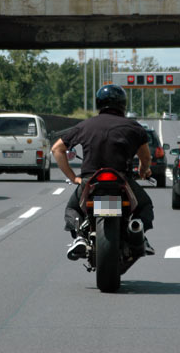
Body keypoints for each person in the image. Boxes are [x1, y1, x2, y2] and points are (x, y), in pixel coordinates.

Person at [51, 84, 155, 261]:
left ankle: (80, 238)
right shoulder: (134, 127)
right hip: (122, 180)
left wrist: (73, 177)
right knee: (144, 205)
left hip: (91, 180)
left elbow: (57, 149)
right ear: (123, 104)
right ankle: (137, 232)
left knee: (73, 207)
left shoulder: (85, 125)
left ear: (99, 103)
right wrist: (143, 171)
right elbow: (146, 158)